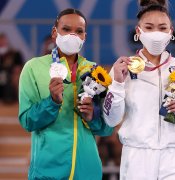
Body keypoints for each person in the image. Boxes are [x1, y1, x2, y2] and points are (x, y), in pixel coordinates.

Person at [102, 0, 175, 179]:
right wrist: (117, 84)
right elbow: (112, 120)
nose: (156, 33)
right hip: (137, 156)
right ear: (138, 31)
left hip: (174, 156)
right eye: (149, 27)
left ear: (171, 32)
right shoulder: (124, 69)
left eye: (162, 28)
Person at [18, 8, 113, 179]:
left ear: (85, 37)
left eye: (79, 31)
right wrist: (52, 102)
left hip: (88, 171)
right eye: (66, 29)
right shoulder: (33, 68)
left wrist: (93, 116)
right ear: (55, 32)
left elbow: (107, 129)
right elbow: (27, 121)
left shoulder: (95, 71)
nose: (72, 36)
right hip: (48, 171)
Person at [0, 33, 24, 103]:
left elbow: (19, 67)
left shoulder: (15, 54)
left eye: (3, 41)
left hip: (10, 76)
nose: (1, 43)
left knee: (17, 77)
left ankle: (19, 101)